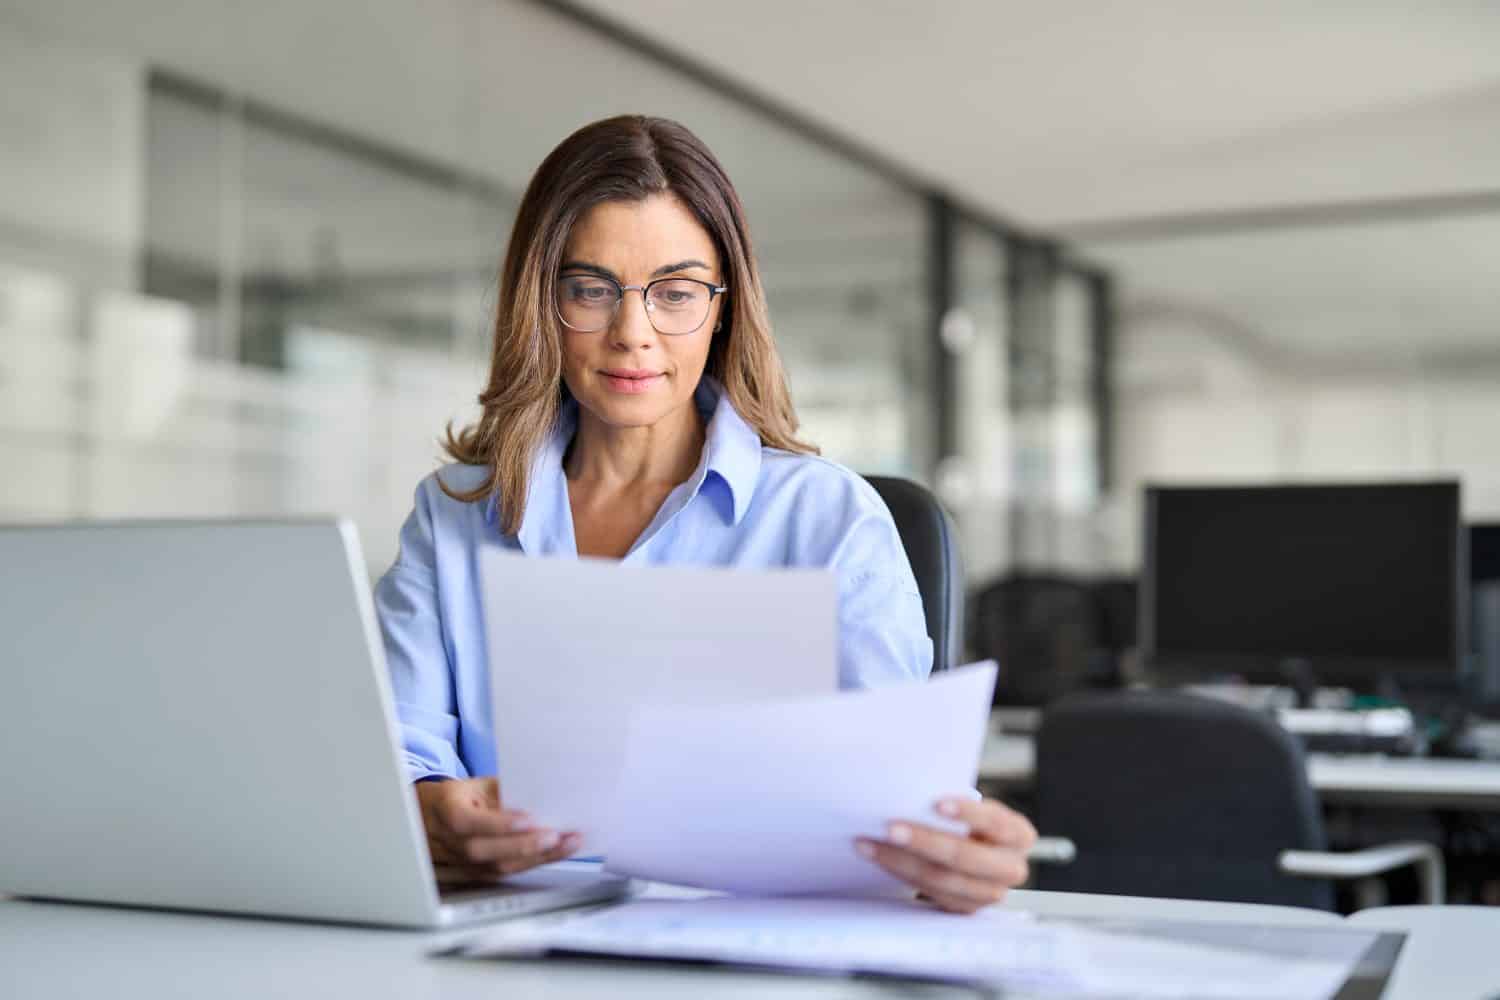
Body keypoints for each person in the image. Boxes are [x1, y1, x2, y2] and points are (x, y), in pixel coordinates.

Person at [375, 115, 1036, 914]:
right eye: (589, 289)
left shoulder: (829, 522)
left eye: (676, 294)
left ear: (723, 307)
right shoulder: (452, 516)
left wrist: (954, 861)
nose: (632, 334)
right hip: (503, 943)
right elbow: (394, 770)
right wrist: (424, 818)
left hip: (757, 948)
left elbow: (903, 817)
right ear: (540, 302)